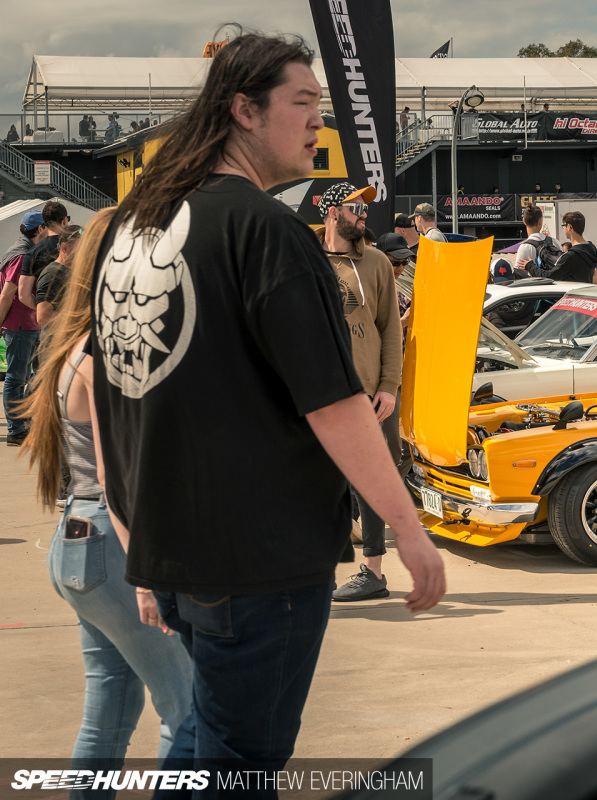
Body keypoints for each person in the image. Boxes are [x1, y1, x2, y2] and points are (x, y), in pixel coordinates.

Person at [87, 30, 444, 771]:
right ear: (244, 111)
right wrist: (407, 530)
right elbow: (334, 404)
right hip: (256, 562)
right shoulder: (265, 230)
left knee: (206, 737)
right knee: (240, 763)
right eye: (304, 103)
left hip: (179, 555)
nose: (321, 122)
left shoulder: (135, 225)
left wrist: (137, 541)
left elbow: (113, 392)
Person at [16, 208, 193, 782]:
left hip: (79, 541)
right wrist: (146, 574)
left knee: (110, 709)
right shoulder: (103, 353)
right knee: (186, 709)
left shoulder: (78, 346)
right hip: (112, 543)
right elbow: (124, 473)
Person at [317, 182, 405, 602]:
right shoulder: (305, 260)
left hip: (371, 396)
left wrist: (389, 388)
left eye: (365, 209)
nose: (364, 215)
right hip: (319, 397)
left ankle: (373, 572)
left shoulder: (375, 264)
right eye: (356, 208)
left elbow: (391, 330)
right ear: (332, 213)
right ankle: (319, 571)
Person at [1, 209, 50, 446]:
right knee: (16, 378)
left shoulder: (19, 249)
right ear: (40, 229)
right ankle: (16, 430)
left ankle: (23, 423)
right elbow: (6, 295)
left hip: (24, 325)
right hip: (20, 326)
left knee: (26, 376)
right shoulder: (22, 255)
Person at [19, 200, 70, 311]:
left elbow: (23, 295)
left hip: (48, 322)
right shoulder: (74, 247)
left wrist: (43, 310)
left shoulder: (32, 253)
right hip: (74, 317)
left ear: (45, 223)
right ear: (64, 221)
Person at [35, 223, 82, 326]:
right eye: (81, 249)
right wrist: (79, 321)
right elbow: (43, 316)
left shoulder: (73, 271)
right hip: (56, 340)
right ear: (64, 248)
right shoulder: (52, 274)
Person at [534, 210, 597, 282]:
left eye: (563, 226)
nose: (563, 229)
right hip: (585, 291)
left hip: (572, 292)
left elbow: (549, 276)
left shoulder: (571, 256)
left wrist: (530, 266)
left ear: (569, 227)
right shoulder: (592, 249)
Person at [514, 204, 562, 275]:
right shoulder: (555, 242)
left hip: (535, 285)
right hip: (555, 283)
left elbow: (521, 275)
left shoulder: (524, 247)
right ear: (540, 221)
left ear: (524, 221)